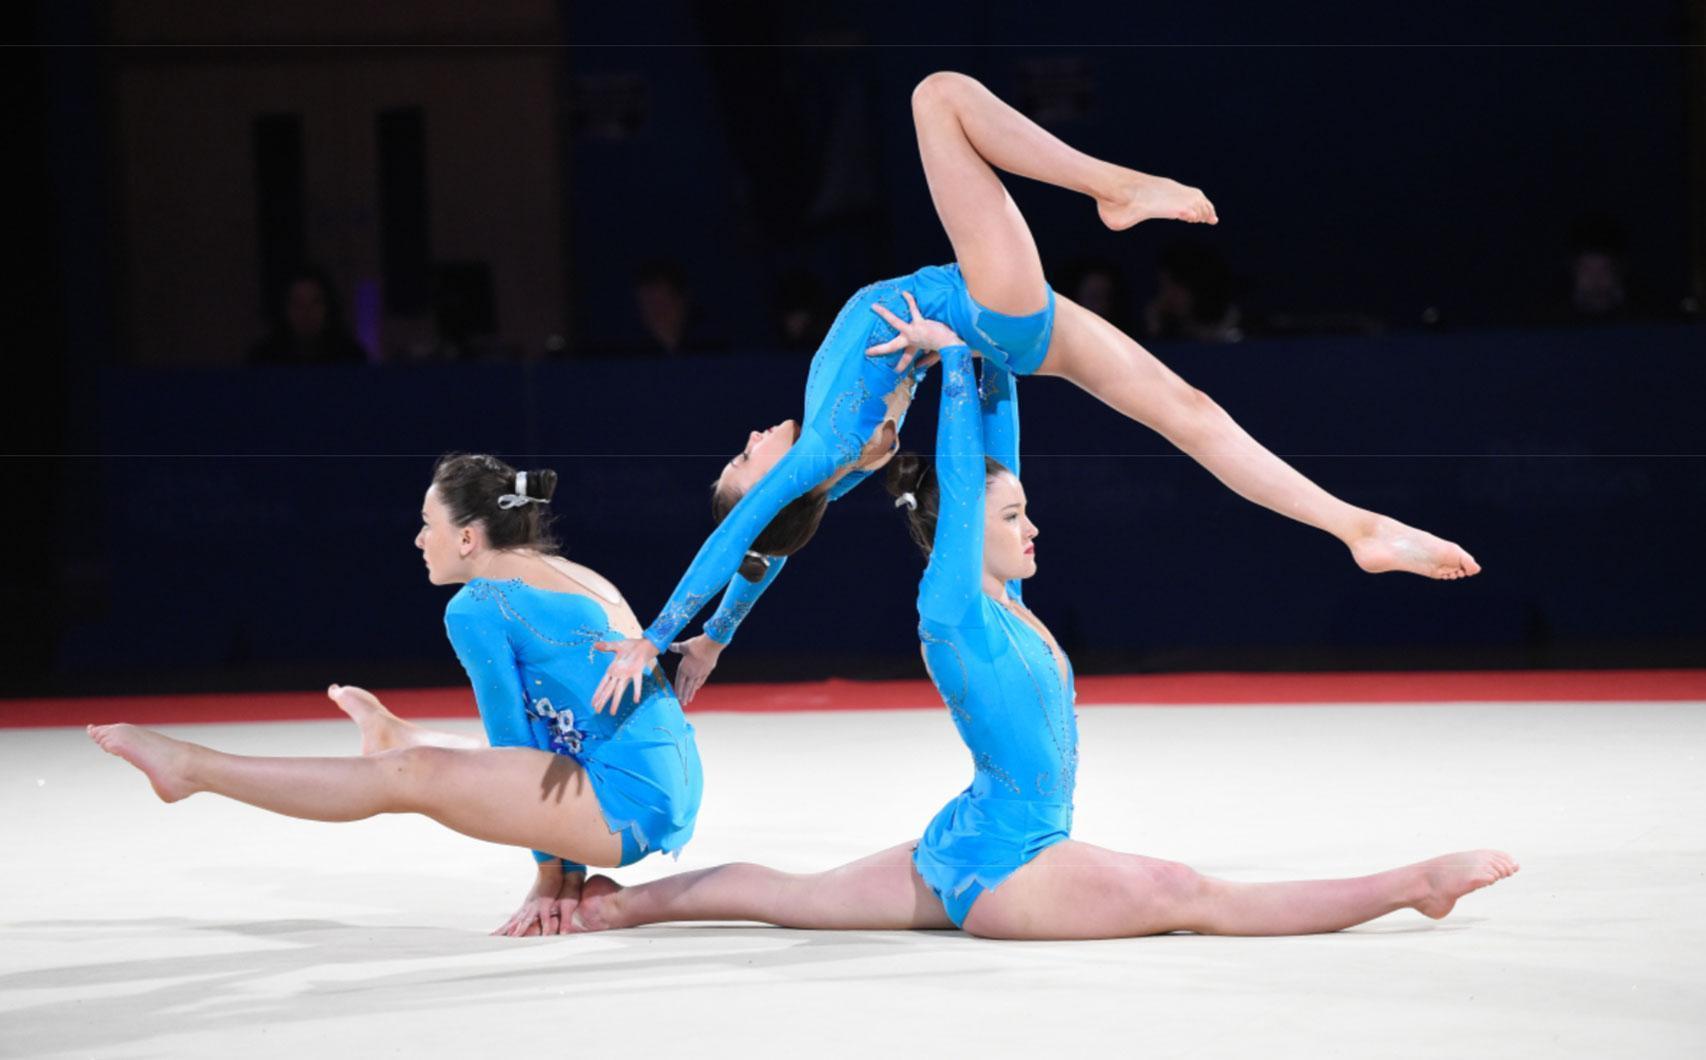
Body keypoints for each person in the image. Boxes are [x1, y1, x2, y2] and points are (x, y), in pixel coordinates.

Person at [569, 319, 1518, 939]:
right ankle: (1413, 883)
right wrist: (940, 363)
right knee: (1189, 895)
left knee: (782, 895)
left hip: (963, 837)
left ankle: (622, 910)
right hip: (1011, 869)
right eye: (1014, 517)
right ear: (965, 536)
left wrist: (980, 350)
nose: (1033, 526)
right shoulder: (954, 608)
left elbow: (991, 440)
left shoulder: (1003, 603)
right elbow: (962, 459)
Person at [595, 71, 1479, 712]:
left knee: (1193, 415)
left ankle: (1356, 528)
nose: (751, 438)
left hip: (1006, 334)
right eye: (746, 458)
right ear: (769, 486)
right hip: (986, 306)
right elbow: (746, 538)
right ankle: (1114, 187)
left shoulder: (846, 467)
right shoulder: (826, 455)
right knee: (936, 96)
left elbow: (761, 553)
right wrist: (658, 630)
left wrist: (718, 636)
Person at [87, 454, 702, 937]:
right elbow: (548, 741)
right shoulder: (571, 570)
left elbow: (512, 750)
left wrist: (551, 876)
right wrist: (565, 866)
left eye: (427, 525)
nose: (417, 539)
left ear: (466, 539)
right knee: (433, 759)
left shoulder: (479, 606)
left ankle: (195, 769)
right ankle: (396, 733)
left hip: (626, 807)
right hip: (667, 785)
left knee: (411, 776)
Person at [248, 265, 368, 364]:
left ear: (328, 307)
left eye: (315, 303)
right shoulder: (264, 360)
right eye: (297, 303)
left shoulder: (350, 358)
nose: (306, 312)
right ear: (283, 309)